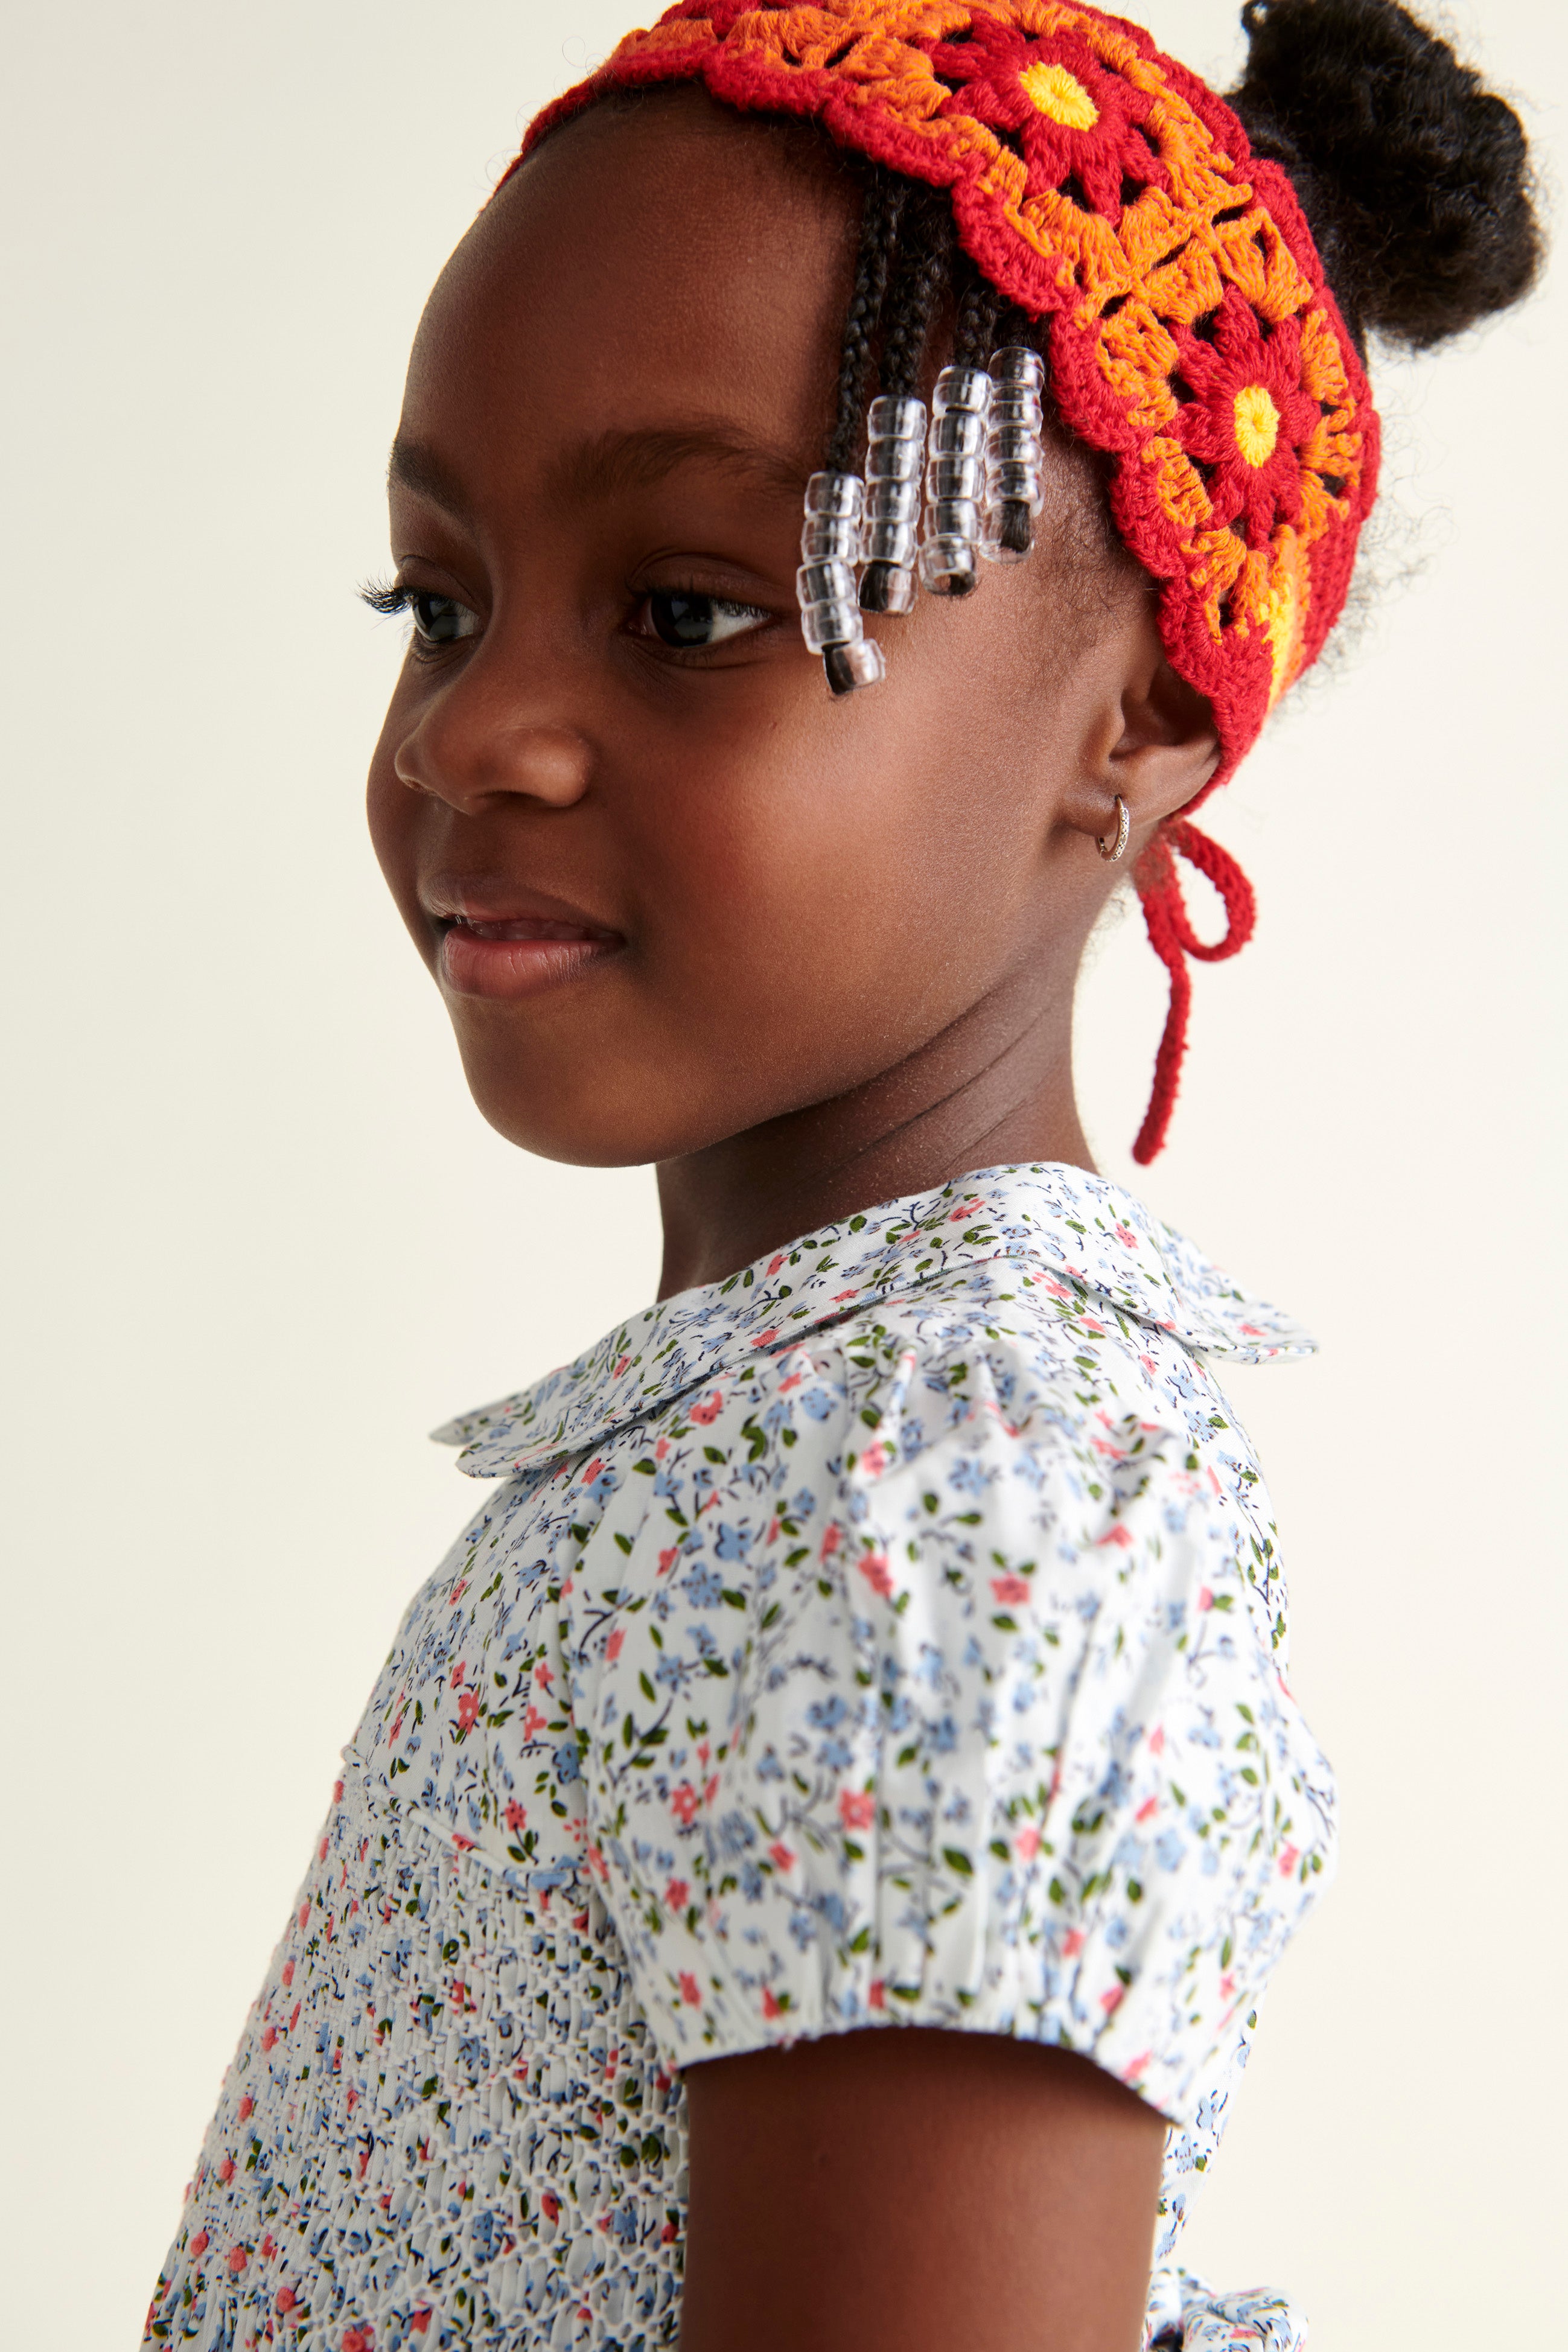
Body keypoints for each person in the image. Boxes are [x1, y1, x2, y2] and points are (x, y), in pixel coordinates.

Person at [142, 3, 1538, 2347]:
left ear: (1138, 725)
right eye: (436, 602)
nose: (470, 729)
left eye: (688, 610)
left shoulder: (953, 1498)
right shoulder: (792, 1442)